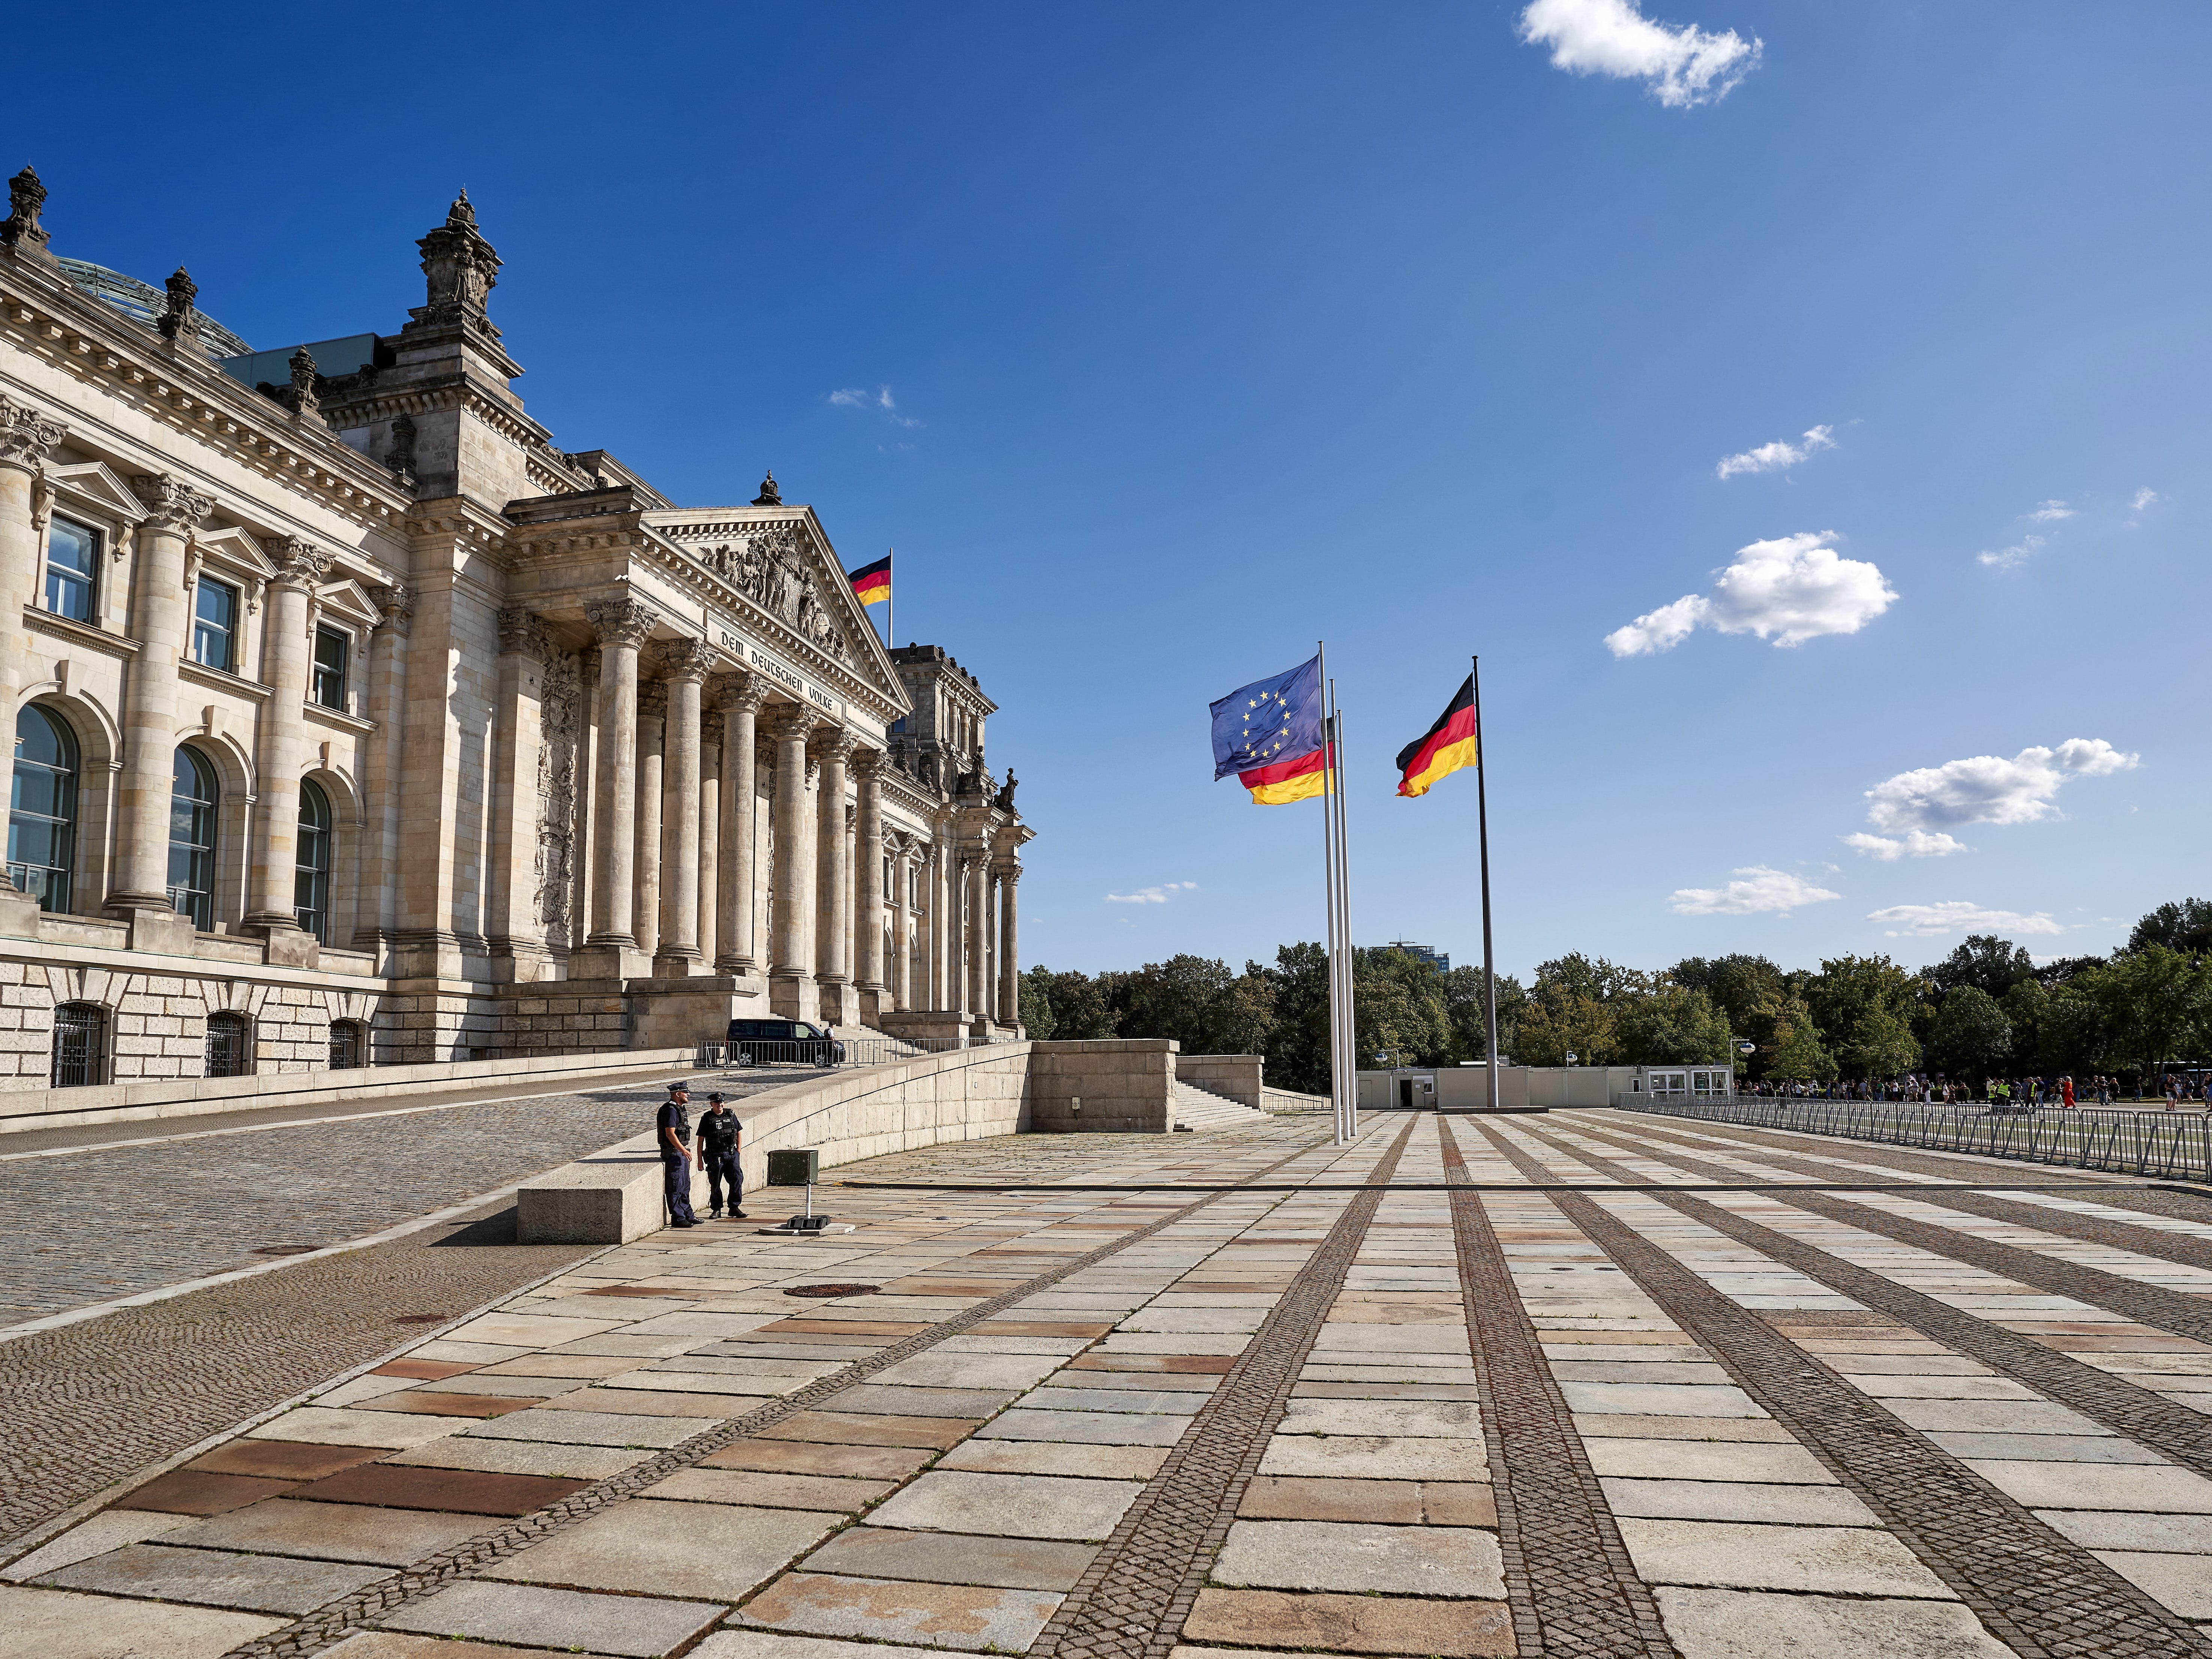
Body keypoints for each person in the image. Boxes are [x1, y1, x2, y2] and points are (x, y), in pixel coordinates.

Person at [658, 1081, 699, 1228]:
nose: (688, 1094)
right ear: (677, 1094)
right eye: (685, 1092)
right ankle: (678, 1217)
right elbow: (670, 1134)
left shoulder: (680, 1108)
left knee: (685, 1186)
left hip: (681, 1154)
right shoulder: (670, 1110)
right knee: (676, 1187)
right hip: (675, 1154)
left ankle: (688, 1214)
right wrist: (683, 1149)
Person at [699, 1091, 747, 1220]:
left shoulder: (730, 1114)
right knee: (715, 1184)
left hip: (732, 1154)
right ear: (712, 1104)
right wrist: (700, 1160)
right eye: (716, 1103)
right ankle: (717, 1209)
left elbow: (739, 1131)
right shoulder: (707, 1118)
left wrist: (739, 1150)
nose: (719, 1105)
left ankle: (734, 1207)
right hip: (715, 1155)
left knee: (737, 1179)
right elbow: (701, 1140)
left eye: (721, 1102)